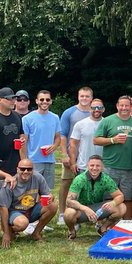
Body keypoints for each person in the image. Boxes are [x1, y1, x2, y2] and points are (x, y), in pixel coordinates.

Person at [93, 96, 132, 207]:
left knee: (127, 198)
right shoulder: (107, 121)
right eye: (121, 105)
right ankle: (103, 222)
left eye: (127, 105)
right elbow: (96, 140)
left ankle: (126, 223)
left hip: (129, 168)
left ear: (131, 107)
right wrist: (113, 140)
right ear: (117, 106)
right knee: (107, 196)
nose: (124, 108)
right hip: (110, 166)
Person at [0, 159, 55, 248]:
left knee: (53, 205)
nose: (26, 171)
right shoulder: (10, 184)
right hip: (14, 212)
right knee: (22, 223)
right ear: (17, 169)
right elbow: (3, 209)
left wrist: (51, 197)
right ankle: (10, 231)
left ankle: (36, 233)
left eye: (29, 169)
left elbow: (47, 194)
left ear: (33, 170)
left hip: (31, 209)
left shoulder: (38, 177)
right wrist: (6, 233)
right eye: (23, 169)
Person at [64, 155, 126, 239]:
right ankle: (72, 230)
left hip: (99, 210)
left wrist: (113, 203)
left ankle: (103, 228)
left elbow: (120, 196)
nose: (94, 168)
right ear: (87, 166)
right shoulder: (79, 179)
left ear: (102, 167)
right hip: (81, 211)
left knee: (121, 207)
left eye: (98, 166)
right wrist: (85, 209)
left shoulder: (106, 179)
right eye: (92, 165)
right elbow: (69, 201)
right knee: (69, 213)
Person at [56, 87, 94, 224]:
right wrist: (65, 155)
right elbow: (63, 135)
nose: (84, 99)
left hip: (88, 157)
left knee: (86, 185)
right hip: (72, 155)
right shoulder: (69, 112)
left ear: (91, 98)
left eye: (87, 96)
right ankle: (62, 213)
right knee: (66, 183)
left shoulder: (95, 112)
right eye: (82, 96)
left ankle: (84, 213)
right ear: (78, 97)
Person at [22, 90, 60, 189]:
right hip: (34, 160)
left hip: (50, 160)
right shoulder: (27, 119)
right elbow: (23, 141)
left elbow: (58, 137)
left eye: (47, 99)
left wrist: (54, 146)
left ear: (51, 101)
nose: (44, 102)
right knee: (32, 190)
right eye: (42, 99)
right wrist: (24, 161)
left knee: (47, 191)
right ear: (37, 101)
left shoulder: (55, 117)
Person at [68, 99, 105, 182]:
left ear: (103, 109)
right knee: (82, 193)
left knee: (101, 194)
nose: (96, 110)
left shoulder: (107, 123)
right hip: (83, 167)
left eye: (99, 107)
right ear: (89, 108)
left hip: (102, 167)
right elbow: (73, 144)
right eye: (94, 107)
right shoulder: (80, 124)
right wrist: (73, 163)